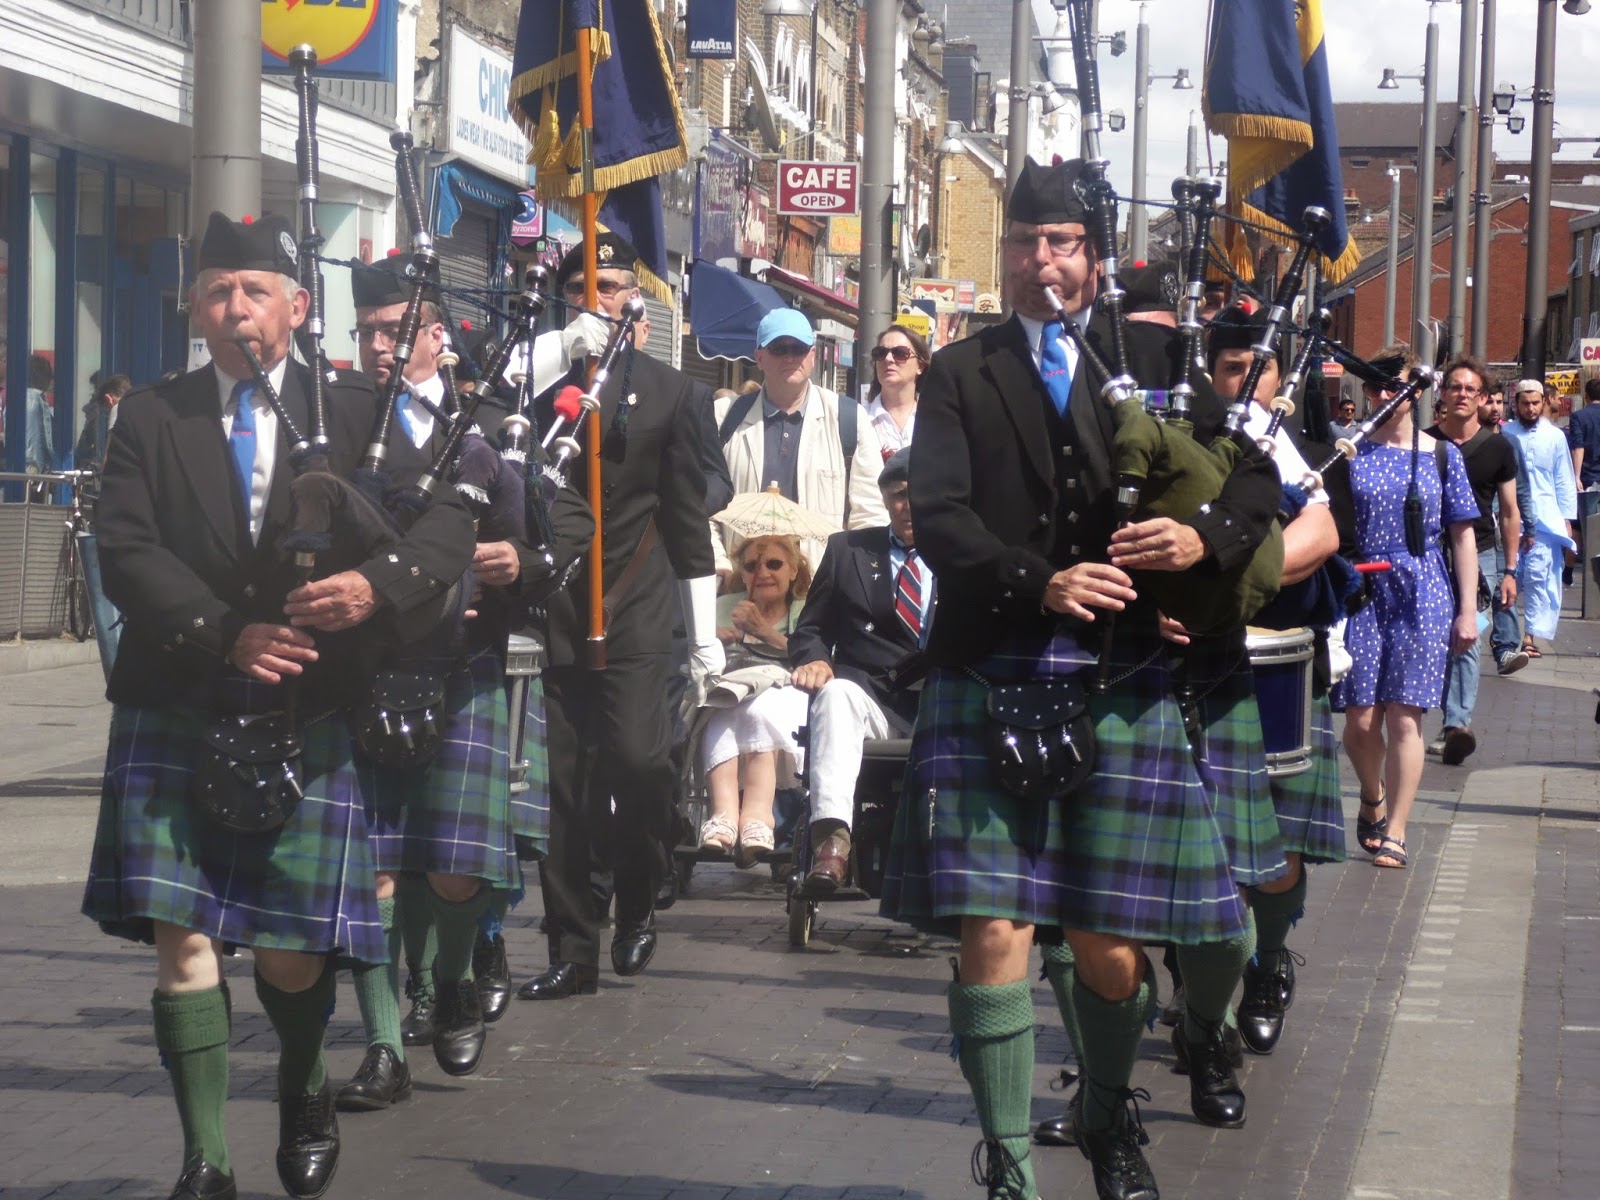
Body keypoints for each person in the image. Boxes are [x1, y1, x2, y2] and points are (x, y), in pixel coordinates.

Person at [880, 157, 1283, 1200]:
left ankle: (1107, 1116)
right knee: (994, 926)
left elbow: (1253, 478)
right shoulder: (961, 373)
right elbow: (940, 515)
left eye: (1060, 243)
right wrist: (1040, 579)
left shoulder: (1150, 357)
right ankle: (1009, 1167)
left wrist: (1200, 539)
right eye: (1023, 243)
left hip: (1124, 670)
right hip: (992, 661)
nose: (1039, 261)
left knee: (1109, 943)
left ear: (1094, 258)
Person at [81, 212, 475, 1200]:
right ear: (194, 307)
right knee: (183, 938)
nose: (235, 309)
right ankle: (205, 1160)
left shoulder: (358, 411)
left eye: (254, 292)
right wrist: (225, 632)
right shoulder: (151, 418)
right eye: (217, 292)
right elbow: (125, 549)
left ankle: (304, 1082)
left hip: (312, 706)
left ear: (297, 307)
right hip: (183, 691)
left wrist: (377, 586)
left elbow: (450, 522)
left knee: (294, 954)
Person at [520, 233, 722, 1001]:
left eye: (610, 287)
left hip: (637, 599)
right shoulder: (533, 379)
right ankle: (573, 949)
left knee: (640, 763)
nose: (596, 302)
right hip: (557, 601)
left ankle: (638, 892)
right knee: (565, 786)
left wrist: (702, 635)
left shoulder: (671, 393)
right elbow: (486, 410)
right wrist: (554, 355)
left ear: (634, 299)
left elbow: (688, 516)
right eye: (582, 288)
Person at [1203, 307, 1345, 1058]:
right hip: (1202, 662)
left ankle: (1267, 961)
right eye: (1232, 369)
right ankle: (1203, 991)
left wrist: (1232, 583)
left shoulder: (1308, 454)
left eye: (1259, 370)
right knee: (1206, 839)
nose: (1247, 383)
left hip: (1285, 659)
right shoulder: (1194, 441)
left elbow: (1321, 535)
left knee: (1281, 844)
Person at [1332, 348, 1479, 872]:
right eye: (1373, 386)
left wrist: (1468, 610)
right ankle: (1371, 794)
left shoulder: (1442, 456)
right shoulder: (1350, 452)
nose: (1381, 395)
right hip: (1363, 590)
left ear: (1415, 391)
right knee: (1360, 720)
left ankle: (1396, 830)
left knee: (1404, 717)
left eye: (1391, 385)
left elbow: (1462, 536)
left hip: (1423, 590)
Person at [788, 448, 928, 892]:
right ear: (885, 499)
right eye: (899, 494)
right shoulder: (847, 550)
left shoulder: (964, 554)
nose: (909, 505)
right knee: (835, 694)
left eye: (920, 493)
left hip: (942, 699)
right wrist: (814, 659)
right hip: (871, 699)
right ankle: (832, 846)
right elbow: (809, 629)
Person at [713, 309, 888, 575]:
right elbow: (702, 508)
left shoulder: (849, 419)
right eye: (779, 348)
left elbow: (870, 515)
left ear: (813, 355)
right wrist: (721, 567)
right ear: (759, 357)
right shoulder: (724, 417)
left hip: (821, 587)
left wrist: (851, 578)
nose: (790, 357)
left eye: (799, 348)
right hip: (743, 584)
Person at [1422, 358, 1526, 767]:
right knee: (1435, 638)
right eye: (1455, 387)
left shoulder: (1499, 447)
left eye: (1471, 389)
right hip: (1429, 553)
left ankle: (1456, 726)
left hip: (1480, 553)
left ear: (1483, 398)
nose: (1462, 395)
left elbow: (1510, 512)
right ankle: (1438, 717)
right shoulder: (1424, 442)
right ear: (1443, 394)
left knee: (1468, 636)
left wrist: (1510, 571)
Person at [696, 534, 812, 865]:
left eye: (774, 564)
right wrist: (712, 639)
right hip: (730, 692)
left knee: (761, 709)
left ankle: (758, 817)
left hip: (786, 691)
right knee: (720, 711)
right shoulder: (722, 607)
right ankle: (724, 816)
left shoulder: (806, 610)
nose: (762, 572)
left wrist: (764, 631)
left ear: (793, 571)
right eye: (751, 566)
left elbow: (813, 656)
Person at [1503, 379, 1579, 656]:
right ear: (1516, 404)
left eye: (1536, 403)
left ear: (1544, 402)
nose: (1531, 408)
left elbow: (1563, 479)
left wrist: (1567, 519)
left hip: (1546, 520)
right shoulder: (1505, 434)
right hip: (1510, 517)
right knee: (1506, 577)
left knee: (1538, 577)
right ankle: (1503, 635)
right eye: (1525, 403)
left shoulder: (1555, 436)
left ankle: (1529, 637)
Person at [865, 324, 929, 456]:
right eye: (880, 353)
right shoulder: (861, 419)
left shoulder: (935, 420)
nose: (888, 359)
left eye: (900, 353)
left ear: (920, 366)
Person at [1566, 375, 1600, 575]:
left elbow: (1578, 447)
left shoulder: (1579, 416)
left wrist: (1576, 476)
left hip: (1588, 479)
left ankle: (1577, 571)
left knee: (1583, 528)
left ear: (1586, 396)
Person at [75, 372, 131, 471]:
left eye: (107, 412)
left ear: (109, 399)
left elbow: (108, 454)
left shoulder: (117, 408)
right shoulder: (141, 410)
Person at [25, 352, 54, 476]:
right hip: (33, 465)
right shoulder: (35, 398)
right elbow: (37, 439)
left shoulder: (22, 396)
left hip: (28, 462)